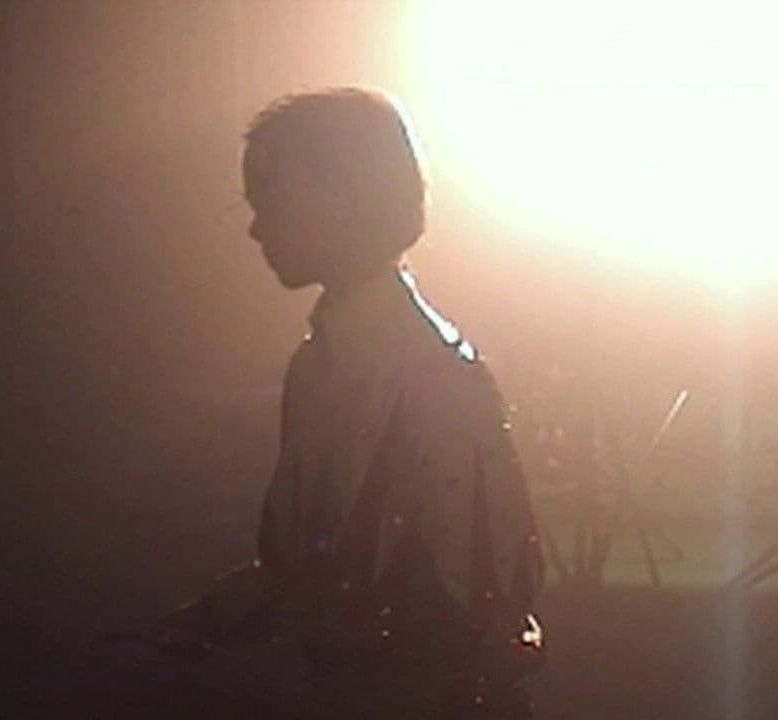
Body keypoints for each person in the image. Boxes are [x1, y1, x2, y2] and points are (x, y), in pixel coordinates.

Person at [154, 87, 545, 717]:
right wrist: (222, 612)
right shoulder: (324, 366)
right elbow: (316, 560)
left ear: (344, 197)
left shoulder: (431, 377)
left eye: (274, 198)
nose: (257, 226)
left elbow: (471, 609)